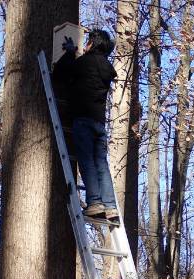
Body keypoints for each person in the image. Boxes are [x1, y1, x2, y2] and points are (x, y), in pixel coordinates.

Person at [53, 29, 119, 221]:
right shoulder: (106, 67)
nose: (85, 45)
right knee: (101, 164)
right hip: (99, 123)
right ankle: (110, 206)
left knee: (87, 161)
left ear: (93, 44)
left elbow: (60, 74)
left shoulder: (84, 63)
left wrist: (70, 53)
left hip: (83, 119)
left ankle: (95, 202)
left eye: (88, 42)